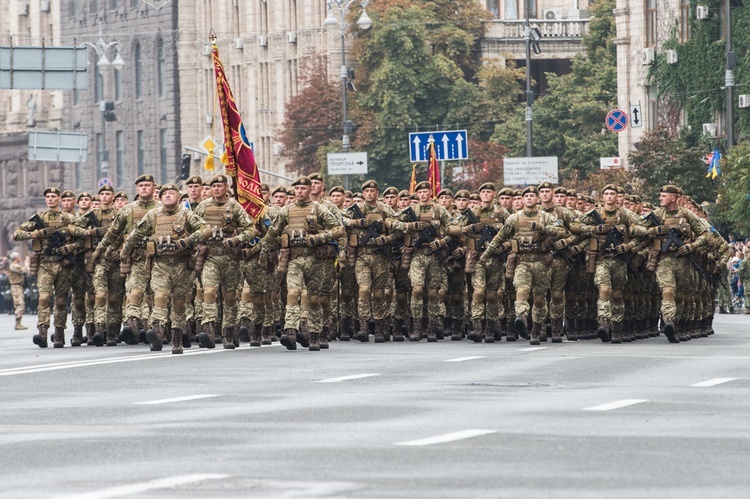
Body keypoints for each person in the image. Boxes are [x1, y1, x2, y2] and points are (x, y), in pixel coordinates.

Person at [119, 184, 209, 353]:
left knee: (179, 303)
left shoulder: (187, 215)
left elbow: (206, 230)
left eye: (172, 193)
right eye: (164, 193)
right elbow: (136, 233)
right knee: (160, 297)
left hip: (182, 266)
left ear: (178, 197)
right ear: (160, 198)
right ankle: (157, 332)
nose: (168, 195)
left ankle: (176, 337)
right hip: (160, 265)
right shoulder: (153, 215)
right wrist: (126, 250)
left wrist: (189, 240)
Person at [263, 176, 345, 351]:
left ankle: (315, 334)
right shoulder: (286, 210)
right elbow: (272, 232)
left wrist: (318, 238)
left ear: (310, 190)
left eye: (303, 188)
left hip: (316, 259)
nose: (299, 191)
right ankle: (291, 330)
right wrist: (265, 251)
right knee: (293, 293)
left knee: (314, 298)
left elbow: (339, 229)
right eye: (297, 188)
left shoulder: (319, 209)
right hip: (294, 258)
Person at [481, 185, 567, 345]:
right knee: (521, 289)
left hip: (541, 262)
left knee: (540, 299)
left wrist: (543, 228)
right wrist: (486, 254)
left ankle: (536, 328)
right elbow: (500, 237)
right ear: (522, 199)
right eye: (526, 196)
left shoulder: (545, 217)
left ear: (537, 199)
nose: (529, 198)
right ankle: (521, 316)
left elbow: (561, 232)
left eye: (532, 196)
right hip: (522, 261)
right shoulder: (514, 218)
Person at [13, 187, 87, 347]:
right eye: (48, 197)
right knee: (44, 298)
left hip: (63, 265)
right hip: (45, 264)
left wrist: (71, 247)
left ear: (59, 199)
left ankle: (59, 333)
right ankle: (42, 332)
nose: (51, 199)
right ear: (46, 200)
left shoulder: (69, 218)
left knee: (60, 301)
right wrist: (36, 234)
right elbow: (17, 234)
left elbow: (85, 238)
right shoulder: (38, 219)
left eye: (54, 196)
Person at [193, 174, 258, 349]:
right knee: (209, 292)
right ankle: (208, 330)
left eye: (220, 186)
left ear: (226, 187)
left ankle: (229, 331)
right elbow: (190, 227)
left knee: (230, 296)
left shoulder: (234, 206)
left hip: (230, 257)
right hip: (210, 257)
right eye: (214, 186)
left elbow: (251, 229)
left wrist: (236, 240)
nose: (216, 189)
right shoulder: (203, 206)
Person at [578, 184, 649, 343]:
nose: (610, 197)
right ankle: (604, 322)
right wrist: (594, 229)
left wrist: (628, 245)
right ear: (602, 197)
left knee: (617, 295)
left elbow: (644, 230)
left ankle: (617, 327)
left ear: (618, 197)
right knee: (604, 289)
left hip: (619, 260)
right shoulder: (594, 214)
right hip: (602, 259)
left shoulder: (625, 214)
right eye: (607, 194)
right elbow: (575, 226)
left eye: (613, 194)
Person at [96, 174, 159, 344]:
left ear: (154, 188)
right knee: (134, 293)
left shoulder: (161, 208)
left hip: (160, 260)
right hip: (137, 259)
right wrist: (101, 250)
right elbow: (114, 232)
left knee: (156, 296)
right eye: (141, 186)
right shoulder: (128, 210)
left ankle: (157, 329)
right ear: (137, 189)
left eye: (147, 185)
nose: (144, 188)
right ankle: (132, 325)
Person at [645, 185, 708, 343]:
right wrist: (654, 231)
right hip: (664, 260)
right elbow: (635, 229)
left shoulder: (686, 214)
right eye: (660, 196)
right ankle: (669, 322)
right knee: (668, 291)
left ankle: (682, 325)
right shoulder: (656, 215)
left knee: (682, 296)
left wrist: (691, 246)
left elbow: (704, 234)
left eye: (664, 196)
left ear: (673, 198)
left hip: (684, 261)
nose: (660, 199)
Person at [346, 179, 403, 343]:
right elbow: (340, 222)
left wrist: (387, 238)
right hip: (362, 256)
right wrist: (356, 222)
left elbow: (401, 229)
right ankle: (363, 326)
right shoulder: (355, 210)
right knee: (364, 290)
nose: (369, 194)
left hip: (381, 256)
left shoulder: (386, 209)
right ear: (363, 193)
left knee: (379, 293)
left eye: (372, 191)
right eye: (366, 192)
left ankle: (380, 326)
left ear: (377, 193)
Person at [399, 181, 453, 342]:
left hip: (435, 255)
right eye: (420, 192)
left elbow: (454, 229)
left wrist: (441, 242)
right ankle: (416, 327)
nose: (423, 195)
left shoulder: (439, 210)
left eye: (425, 191)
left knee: (433, 292)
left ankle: (431, 328)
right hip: (417, 255)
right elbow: (391, 222)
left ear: (430, 192)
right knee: (416, 289)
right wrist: (409, 225)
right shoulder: (410, 210)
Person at [9, 252, 29, 330]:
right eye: (18, 257)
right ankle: (17, 324)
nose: (20, 258)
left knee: (20, 304)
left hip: (18, 286)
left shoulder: (15, 265)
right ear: (16, 258)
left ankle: (18, 323)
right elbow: (24, 270)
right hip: (16, 286)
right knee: (20, 304)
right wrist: (26, 263)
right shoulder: (13, 266)